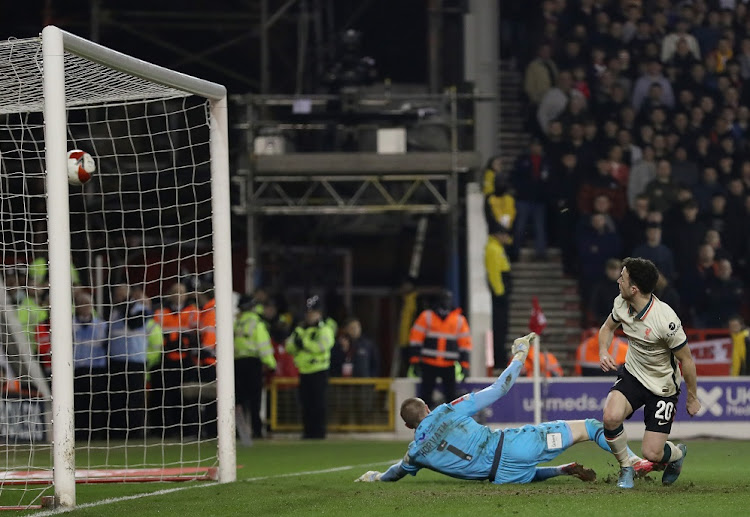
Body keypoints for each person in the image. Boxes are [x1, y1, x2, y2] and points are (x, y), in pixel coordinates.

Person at [355, 333, 654, 485]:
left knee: (517, 465)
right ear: (427, 407)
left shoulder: (415, 453)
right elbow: (500, 388)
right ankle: (632, 461)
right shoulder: (447, 410)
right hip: (514, 446)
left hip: (502, 476)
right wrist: (520, 355)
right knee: (590, 427)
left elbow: (395, 472)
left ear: (410, 427)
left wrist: (376, 477)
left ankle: (562, 469)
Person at [598, 257, 701, 489]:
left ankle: (677, 454)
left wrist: (692, 397)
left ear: (634, 289)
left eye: (622, 278)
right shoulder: (621, 304)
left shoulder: (665, 321)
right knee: (611, 417)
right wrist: (603, 350)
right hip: (633, 375)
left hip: (662, 387)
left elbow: (687, 359)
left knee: (652, 453)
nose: (618, 280)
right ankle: (626, 468)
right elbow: (607, 328)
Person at [408, 291, 471, 409]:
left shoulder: (458, 320)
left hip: (448, 365)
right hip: (428, 364)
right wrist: (415, 360)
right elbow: (415, 338)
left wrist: (465, 365)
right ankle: (425, 423)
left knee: (451, 398)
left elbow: (465, 344)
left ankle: (451, 424)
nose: (446, 302)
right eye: (443, 299)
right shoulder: (427, 316)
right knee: (425, 397)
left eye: (448, 299)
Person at [285, 295, 335, 439]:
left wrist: (303, 344)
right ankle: (308, 432)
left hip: (319, 371)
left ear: (319, 313)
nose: (310, 315)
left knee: (318, 404)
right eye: (308, 312)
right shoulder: (300, 329)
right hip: (304, 371)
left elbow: (322, 347)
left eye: (313, 312)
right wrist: (298, 344)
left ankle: (319, 432)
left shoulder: (325, 329)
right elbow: (289, 347)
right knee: (306, 403)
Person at [107, 284, 149, 439]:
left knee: (135, 398)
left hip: (135, 360)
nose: (117, 297)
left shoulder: (141, 309)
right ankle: (118, 430)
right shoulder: (114, 311)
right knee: (118, 397)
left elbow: (134, 323)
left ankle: (135, 431)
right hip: (116, 360)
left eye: (121, 294)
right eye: (116, 294)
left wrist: (128, 304)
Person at [234, 294, 277, 440]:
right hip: (253, 363)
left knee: (238, 400)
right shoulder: (257, 324)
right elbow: (264, 346)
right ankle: (257, 431)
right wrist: (271, 364)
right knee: (255, 400)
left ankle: (238, 432)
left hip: (236, 363)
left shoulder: (236, 323)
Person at [485, 218, 512, 368]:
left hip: (502, 293)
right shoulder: (493, 249)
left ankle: (500, 357)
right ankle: (499, 358)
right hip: (499, 295)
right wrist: (500, 293)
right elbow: (494, 273)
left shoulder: (497, 248)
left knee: (503, 327)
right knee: (500, 327)